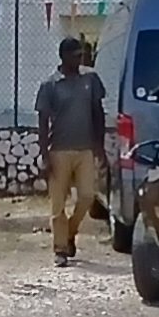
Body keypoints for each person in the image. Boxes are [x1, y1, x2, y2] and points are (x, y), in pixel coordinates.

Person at [34, 36, 107, 267]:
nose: (80, 59)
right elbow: (43, 120)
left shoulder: (91, 79)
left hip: (85, 149)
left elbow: (98, 113)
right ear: (63, 56)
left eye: (81, 55)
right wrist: (44, 155)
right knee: (58, 206)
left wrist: (100, 146)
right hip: (59, 151)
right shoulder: (50, 85)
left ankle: (70, 233)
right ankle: (60, 249)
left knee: (87, 196)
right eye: (75, 55)